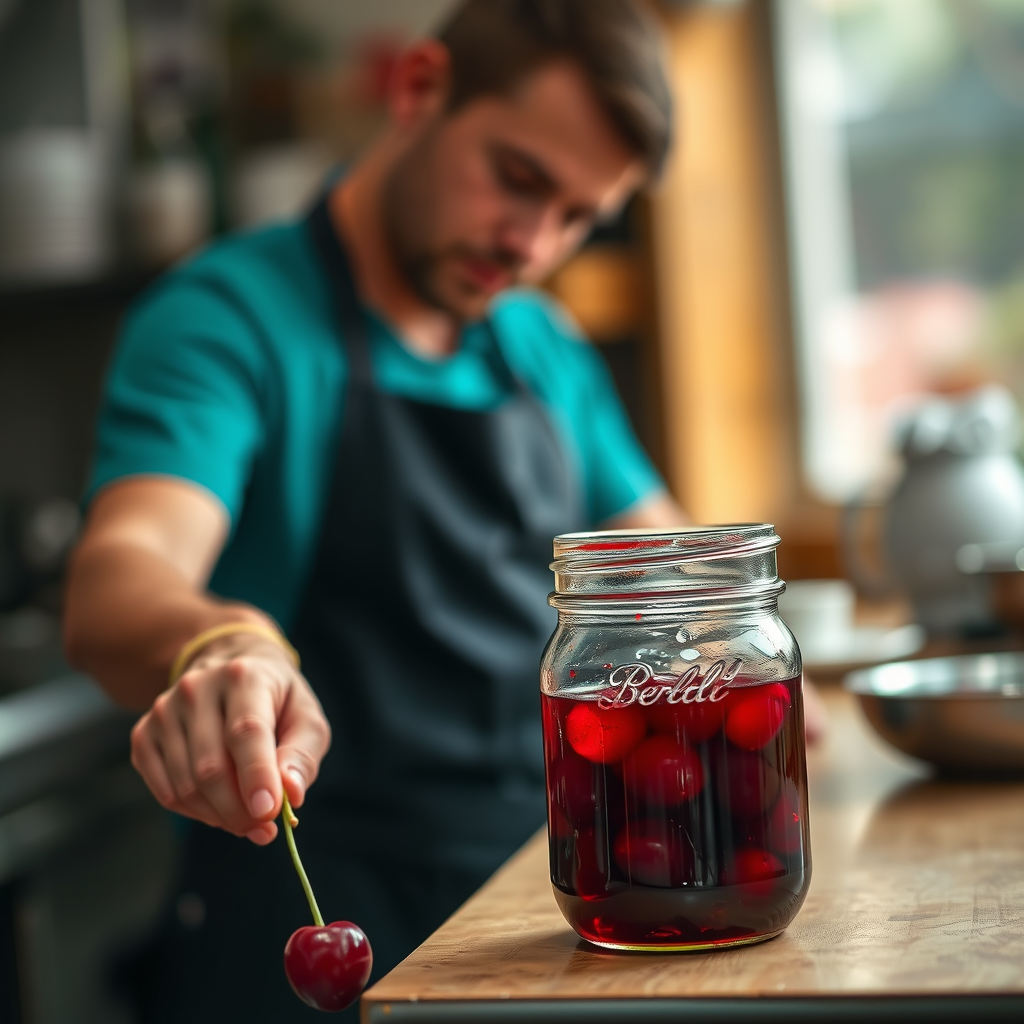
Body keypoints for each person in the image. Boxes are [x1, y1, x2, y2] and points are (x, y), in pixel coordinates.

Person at [64, 1, 689, 1019]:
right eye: (519, 178)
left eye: (578, 215)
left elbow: (674, 578)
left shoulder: (540, 349)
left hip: (529, 927)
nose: (531, 244)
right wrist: (227, 646)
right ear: (417, 88)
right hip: (304, 938)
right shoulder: (226, 321)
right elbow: (121, 574)